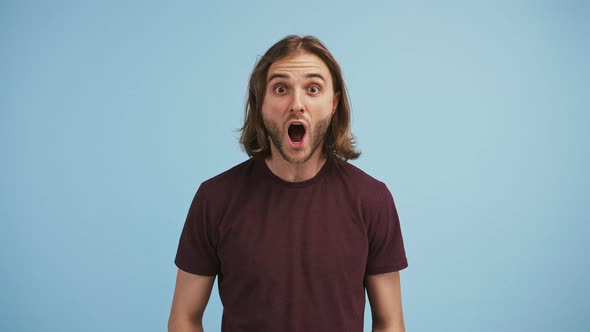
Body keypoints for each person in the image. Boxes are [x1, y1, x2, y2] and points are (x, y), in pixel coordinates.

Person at [168, 35, 408, 332]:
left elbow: (389, 322)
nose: (297, 104)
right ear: (261, 105)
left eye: (313, 89)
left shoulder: (372, 199)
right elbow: (184, 318)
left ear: (333, 104)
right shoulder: (214, 199)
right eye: (280, 89)